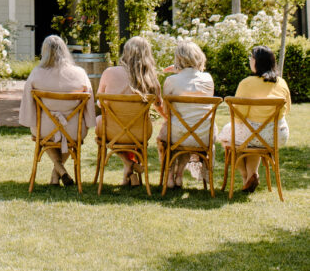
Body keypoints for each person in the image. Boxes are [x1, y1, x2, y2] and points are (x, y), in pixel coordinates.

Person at [19, 35, 95, 185]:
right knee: (69, 134)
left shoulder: (37, 73)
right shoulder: (79, 73)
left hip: (44, 129)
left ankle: (58, 171)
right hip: (74, 128)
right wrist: (89, 121)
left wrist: (29, 119)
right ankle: (59, 171)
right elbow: (90, 101)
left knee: (41, 133)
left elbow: (27, 102)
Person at [218, 45, 291, 193]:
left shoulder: (247, 83)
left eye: (251, 58)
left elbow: (238, 116)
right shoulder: (281, 83)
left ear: (257, 62)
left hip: (253, 134)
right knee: (252, 137)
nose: (250, 60)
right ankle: (251, 176)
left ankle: (246, 176)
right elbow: (286, 109)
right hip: (277, 135)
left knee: (228, 137)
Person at [95, 35, 164, 186]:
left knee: (103, 127)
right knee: (128, 130)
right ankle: (130, 166)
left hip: (112, 131)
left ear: (125, 52)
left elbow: (100, 103)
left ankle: (128, 163)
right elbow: (159, 105)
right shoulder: (151, 79)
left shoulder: (109, 73)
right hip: (141, 131)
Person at [156, 40, 215, 188]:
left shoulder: (171, 81)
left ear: (178, 59)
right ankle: (180, 175)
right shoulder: (208, 79)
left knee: (170, 133)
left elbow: (167, 111)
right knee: (190, 127)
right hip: (203, 134)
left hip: (177, 133)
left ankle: (169, 176)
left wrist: (177, 73)